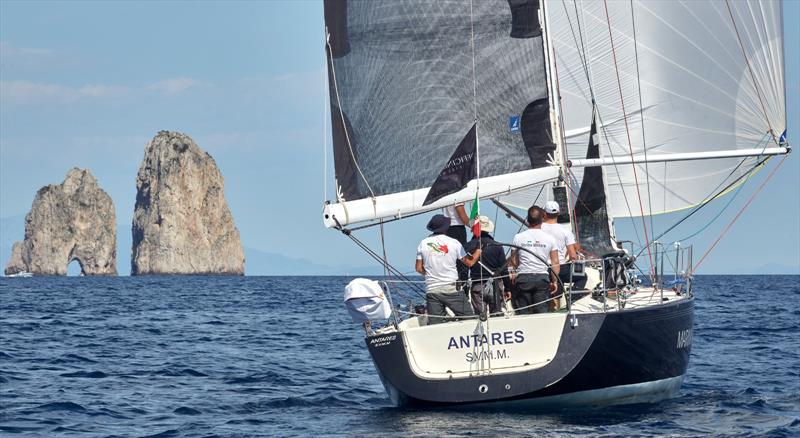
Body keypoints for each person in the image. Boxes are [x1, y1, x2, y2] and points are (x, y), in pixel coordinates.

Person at [416, 214, 481, 324]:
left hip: (432, 290)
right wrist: (478, 251)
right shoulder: (454, 243)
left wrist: (431, 274)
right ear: (446, 227)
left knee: (435, 324)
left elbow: (418, 268)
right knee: (470, 319)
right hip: (452, 289)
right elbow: (469, 263)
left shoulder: (423, 243)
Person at [508, 206, 560, 314]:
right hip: (542, 278)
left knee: (523, 313)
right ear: (542, 219)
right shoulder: (550, 239)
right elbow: (555, 262)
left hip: (523, 278)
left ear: (527, 219)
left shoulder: (518, 237)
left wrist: (517, 270)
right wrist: (554, 281)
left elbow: (513, 260)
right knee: (541, 311)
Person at [464, 216, 510, 316]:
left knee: (480, 318)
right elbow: (504, 270)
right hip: (495, 286)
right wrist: (508, 288)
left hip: (477, 286)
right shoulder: (497, 246)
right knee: (497, 316)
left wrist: (463, 289)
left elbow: (463, 269)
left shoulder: (467, 246)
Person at [541, 201, 587, 290]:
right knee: (583, 276)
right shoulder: (565, 231)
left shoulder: (539, 228)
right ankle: (572, 296)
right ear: (558, 213)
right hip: (560, 268)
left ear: (544, 213)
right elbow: (573, 256)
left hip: (542, 268)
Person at [442, 203, 470, 283]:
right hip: (457, 228)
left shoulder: (445, 195)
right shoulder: (458, 197)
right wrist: (474, 226)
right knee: (461, 256)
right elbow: (463, 218)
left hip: (447, 228)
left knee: (450, 256)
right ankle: (462, 282)